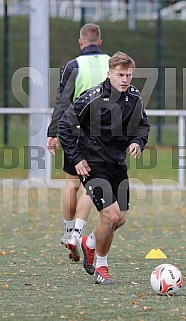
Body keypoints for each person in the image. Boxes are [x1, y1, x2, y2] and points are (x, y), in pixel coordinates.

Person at [58, 51, 150, 284]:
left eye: (129, 75)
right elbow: (65, 125)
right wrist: (77, 158)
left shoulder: (134, 98)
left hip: (117, 165)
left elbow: (142, 126)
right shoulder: (92, 97)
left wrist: (137, 142)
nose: (125, 79)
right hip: (93, 166)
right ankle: (101, 268)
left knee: (121, 219)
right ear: (109, 74)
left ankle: (89, 242)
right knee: (109, 217)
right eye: (120, 74)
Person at [47, 23, 110, 262]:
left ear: (80, 42)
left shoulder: (73, 65)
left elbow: (63, 101)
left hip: (75, 129)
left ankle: (67, 231)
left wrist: (53, 132)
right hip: (105, 132)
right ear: (100, 43)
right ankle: (77, 234)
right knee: (90, 183)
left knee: (72, 181)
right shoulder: (113, 63)